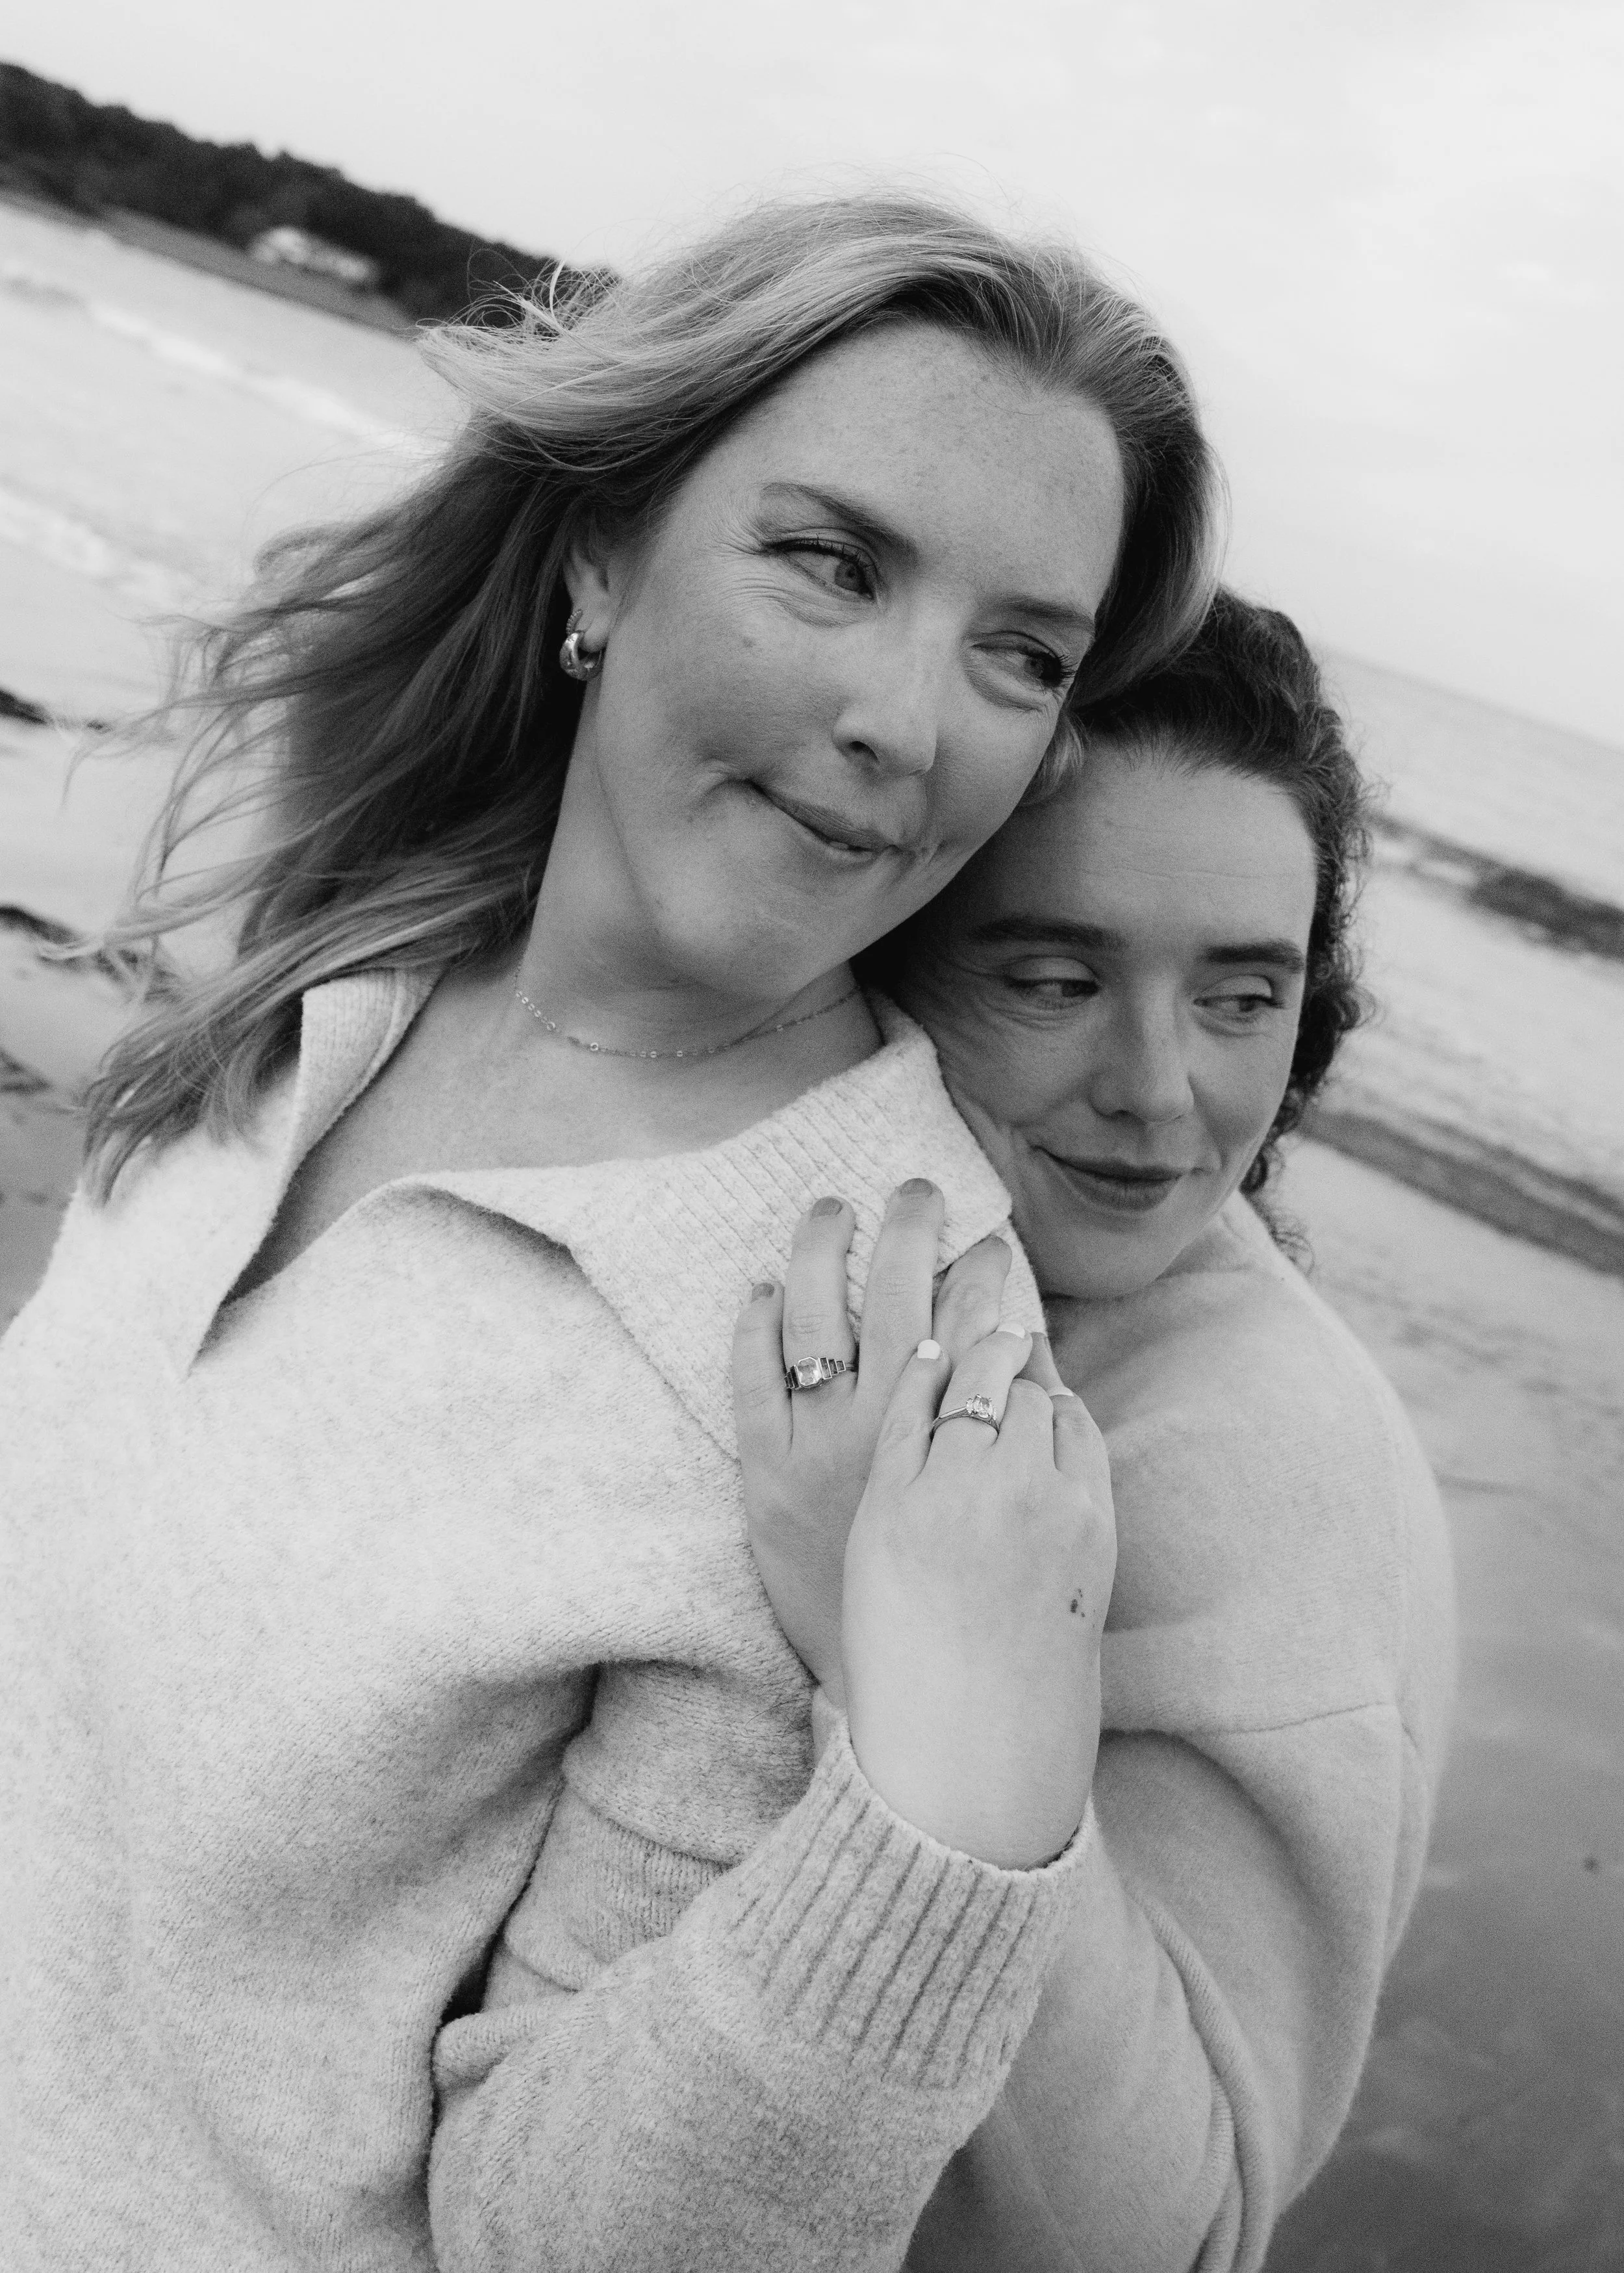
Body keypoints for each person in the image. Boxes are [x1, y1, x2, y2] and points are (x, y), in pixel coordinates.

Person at [0, 196, 1221, 2268]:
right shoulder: (345, 964)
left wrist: (940, 1822)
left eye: (1020, 655)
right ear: (599, 551)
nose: (915, 725)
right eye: (831, 564)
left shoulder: (875, 1327)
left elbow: (553, 2236)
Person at [720, 590, 1455, 2268]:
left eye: (1241, 997)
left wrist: (888, 1631)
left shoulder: (1254, 1463)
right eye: (1055, 976)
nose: (1157, 1087)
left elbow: (1172, 2228)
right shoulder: (930, 1257)